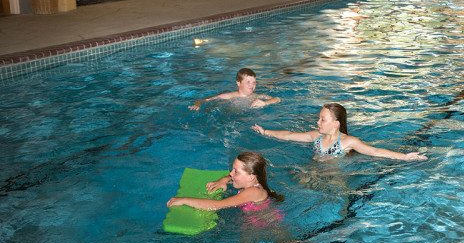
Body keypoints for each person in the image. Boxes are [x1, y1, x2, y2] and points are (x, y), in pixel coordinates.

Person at [251, 102, 427, 161]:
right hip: (314, 171)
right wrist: (265, 131)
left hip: (336, 177)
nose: (317, 122)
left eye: (322, 119)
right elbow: (289, 135)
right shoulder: (316, 136)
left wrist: (404, 156)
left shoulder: (348, 142)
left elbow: (374, 151)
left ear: (335, 124)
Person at [167, 151, 284, 211]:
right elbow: (232, 177)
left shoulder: (253, 192)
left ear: (251, 177)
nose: (231, 174)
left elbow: (217, 205)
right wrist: (223, 180)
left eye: (236, 171)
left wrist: (184, 200)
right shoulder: (251, 183)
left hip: (269, 232)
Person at [189, 67, 279, 110]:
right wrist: (197, 104)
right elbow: (202, 100)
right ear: (238, 83)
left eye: (254, 82)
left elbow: (277, 99)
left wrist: (265, 103)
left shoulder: (257, 96)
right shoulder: (228, 96)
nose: (252, 85)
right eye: (248, 82)